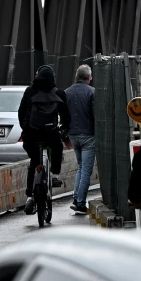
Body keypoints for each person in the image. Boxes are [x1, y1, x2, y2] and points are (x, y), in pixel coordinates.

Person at [17, 64, 70, 214]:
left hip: (32, 135)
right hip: (51, 134)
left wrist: (26, 128)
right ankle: (55, 175)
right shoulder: (58, 92)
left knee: (34, 162)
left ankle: (29, 196)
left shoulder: (30, 91)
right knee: (57, 148)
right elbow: (66, 115)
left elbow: (21, 113)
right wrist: (64, 128)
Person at [66, 65, 96, 213]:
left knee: (80, 167)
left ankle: (76, 196)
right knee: (86, 171)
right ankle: (80, 203)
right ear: (88, 77)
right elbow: (95, 114)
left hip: (73, 135)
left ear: (77, 76)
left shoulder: (67, 92)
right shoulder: (92, 92)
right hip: (88, 136)